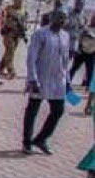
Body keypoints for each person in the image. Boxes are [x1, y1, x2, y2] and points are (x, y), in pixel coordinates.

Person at [23, 9, 70, 154]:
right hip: (40, 79)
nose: (61, 21)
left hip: (58, 80)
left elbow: (66, 59)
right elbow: (31, 57)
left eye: (64, 18)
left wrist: (67, 79)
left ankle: (41, 139)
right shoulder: (40, 34)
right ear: (52, 18)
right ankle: (26, 142)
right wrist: (32, 79)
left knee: (58, 110)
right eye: (59, 18)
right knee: (32, 110)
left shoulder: (65, 36)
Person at [0, 0, 29, 79]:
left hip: (17, 35)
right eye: (18, 0)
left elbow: (25, 24)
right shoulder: (8, 9)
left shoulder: (24, 11)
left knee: (9, 52)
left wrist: (24, 32)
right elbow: (1, 18)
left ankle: (0, 68)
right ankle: (11, 71)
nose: (19, 2)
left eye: (21, 0)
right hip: (9, 33)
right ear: (14, 0)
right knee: (10, 52)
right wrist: (3, 26)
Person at [70, 13, 95, 88]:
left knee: (89, 70)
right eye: (93, 19)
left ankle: (88, 86)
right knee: (74, 68)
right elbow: (79, 38)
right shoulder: (86, 28)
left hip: (91, 53)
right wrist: (78, 48)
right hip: (82, 51)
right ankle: (67, 82)